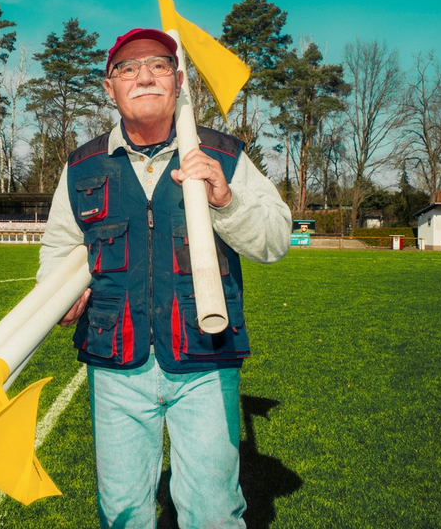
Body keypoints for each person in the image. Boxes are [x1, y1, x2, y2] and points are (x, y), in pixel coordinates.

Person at [37, 27, 292, 529]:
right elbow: (59, 246)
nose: (144, 76)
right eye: (127, 69)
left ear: (178, 82)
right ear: (110, 89)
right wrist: (57, 296)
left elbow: (276, 239)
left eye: (157, 65)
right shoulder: (82, 166)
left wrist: (226, 202)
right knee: (124, 510)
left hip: (205, 357)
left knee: (213, 511)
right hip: (116, 364)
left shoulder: (223, 154)